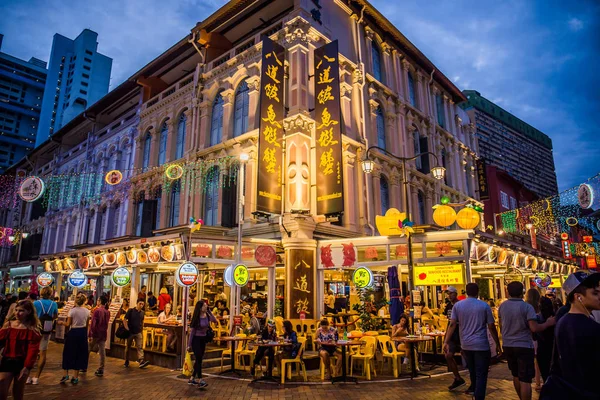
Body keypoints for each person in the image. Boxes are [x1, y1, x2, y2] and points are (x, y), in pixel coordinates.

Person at [540, 271, 600, 399]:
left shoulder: (563, 321)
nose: (599, 297)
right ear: (579, 297)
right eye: (595, 293)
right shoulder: (591, 328)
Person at [444, 283, 501, 400]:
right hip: (481, 345)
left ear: (466, 292)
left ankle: (474, 390)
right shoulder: (484, 306)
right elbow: (491, 326)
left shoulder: (458, 306)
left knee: (472, 370)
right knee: (481, 373)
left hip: (466, 345)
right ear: (477, 292)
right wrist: (497, 343)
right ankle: (478, 396)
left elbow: (452, 324)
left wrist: (446, 341)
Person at [499, 282, 555, 400]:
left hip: (508, 344)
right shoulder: (526, 307)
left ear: (508, 292)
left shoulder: (502, 306)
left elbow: (501, 325)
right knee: (525, 379)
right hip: (523, 344)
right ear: (522, 292)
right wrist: (547, 323)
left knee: (516, 374)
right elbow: (534, 328)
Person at [0, 300, 41, 400]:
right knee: (1, 390)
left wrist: (27, 367)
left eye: (21, 311)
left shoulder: (32, 329)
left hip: (22, 362)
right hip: (7, 360)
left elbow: (33, 351)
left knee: (18, 392)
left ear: (29, 312)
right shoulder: (8, 325)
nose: (17, 313)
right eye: (16, 310)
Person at [58, 294, 90, 384]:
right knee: (80, 354)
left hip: (73, 332)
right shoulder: (87, 311)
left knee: (68, 352)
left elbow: (68, 324)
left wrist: (61, 322)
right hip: (82, 333)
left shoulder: (72, 311)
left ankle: (65, 374)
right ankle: (75, 376)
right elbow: (87, 325)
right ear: (84, 301)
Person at [30, 287, 58, 385]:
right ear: (50, 294)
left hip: (35, 328)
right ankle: (36, 377)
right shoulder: (53, 304)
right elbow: (55, 316)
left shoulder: (35, 303)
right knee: (43, 352)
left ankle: (28, 375)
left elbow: (31, 315)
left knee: (31, 351)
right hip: (47, 329)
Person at [187, 300, 217, 388]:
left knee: (199, 359)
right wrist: (189, 345)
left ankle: (192, 378)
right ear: (200, 308)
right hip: (196, 340)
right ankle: (200, 379)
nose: (206, 307)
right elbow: (192, 332)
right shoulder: (196, 318)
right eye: (204, 306)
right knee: (199, 358)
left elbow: (214, 320)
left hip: (203, 339)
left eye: (206, 305)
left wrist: (209, 311)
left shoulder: (207, 315)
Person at [443, 286, 465, 391]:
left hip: (460, 333)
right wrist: (446, 337)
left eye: (451, 293)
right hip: (451, 334)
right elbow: (449, 322)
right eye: (448, 294)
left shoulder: (460, 305)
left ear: (455, 294)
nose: (449, 295)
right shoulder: (448, 306)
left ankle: (474, 378)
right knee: (448, 355)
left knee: (467, 355)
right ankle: (457, 377)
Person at [123, 300, 150, 368]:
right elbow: (125, 319)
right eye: (140, 304)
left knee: (139, 347)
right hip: (130, 332)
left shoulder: (142, 313)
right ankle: (126, 360)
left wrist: (141, 329)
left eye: (142, 304)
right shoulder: (131, 311)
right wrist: (127, 328)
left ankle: (141, 361)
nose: (141, 305)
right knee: (128, 347)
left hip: (138, 332)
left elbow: (142, 321)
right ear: (137, 303)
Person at [88, 295, 110, 377]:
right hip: (103, 333)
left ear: (100, 301)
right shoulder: (107, 312)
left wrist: (90, 334)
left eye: (98, 300)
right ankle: (101, 368)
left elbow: (93, 324)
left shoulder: (97, 311)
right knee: (102, 351)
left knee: (88, 349)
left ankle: (83, 366)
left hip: (96, 333)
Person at [535, 296, 555, 384]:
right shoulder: (556, 316)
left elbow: (534, 335)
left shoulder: (538, 318)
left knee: (545, 373)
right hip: (554, 348)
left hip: (542, 348)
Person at [526, 288, 542, 391]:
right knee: (539, 361)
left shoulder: (526, 308)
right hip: (539, 337)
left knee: (530, 361)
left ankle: (534, 382)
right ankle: (538, 381)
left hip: (528, 338)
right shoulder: (540, 308)